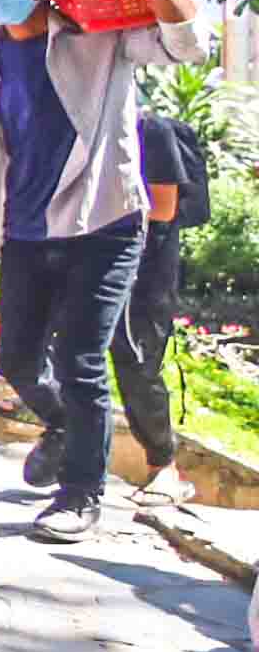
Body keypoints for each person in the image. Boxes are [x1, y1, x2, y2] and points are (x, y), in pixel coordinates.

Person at [0, 0, 206, 541]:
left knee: (84, 357)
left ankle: (80, 495)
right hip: (26, 233)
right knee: (16, 357)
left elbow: (185, 40)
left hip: (105, 223)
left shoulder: (97, 39)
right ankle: (64, 426)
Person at [111, 107, 203, 506]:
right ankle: (68, 451)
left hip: (148, 265)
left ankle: (162, 466)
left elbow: (163, 210)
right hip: (91, 254)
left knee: (137, 361)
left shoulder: (153, 131)